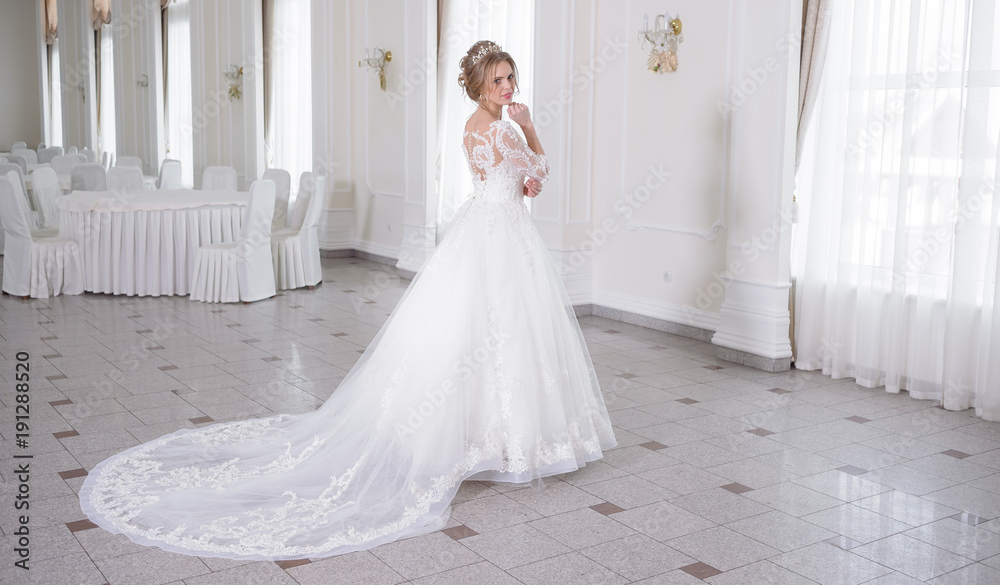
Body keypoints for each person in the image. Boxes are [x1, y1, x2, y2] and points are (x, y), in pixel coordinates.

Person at [79, 40, 616, 561]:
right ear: (478, 86)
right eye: (497, 79)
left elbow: (509, 182)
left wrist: (520, 173)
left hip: (483, 228)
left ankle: (476, 436)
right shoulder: (503, 128)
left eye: (510, 76)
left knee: (475, 333)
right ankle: (502, 439)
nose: (507, 86)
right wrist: (530, 128)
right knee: (505, 332)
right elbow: (539, 173)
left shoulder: (471, 127)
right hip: (503, 239)